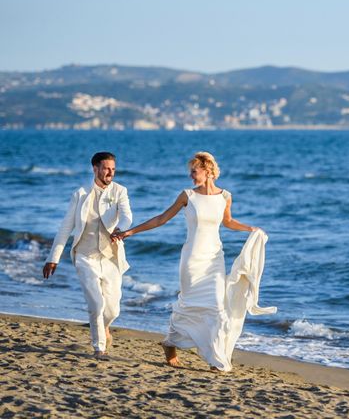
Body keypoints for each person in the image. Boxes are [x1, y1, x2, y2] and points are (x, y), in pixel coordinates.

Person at [111, 151, 259, 371]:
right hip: (192, 258)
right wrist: (130, 232)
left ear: (207, 171)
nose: (191, 175)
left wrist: (250, 229)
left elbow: (227, 221)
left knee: (218, 307)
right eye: (191, 171)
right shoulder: (187, 195)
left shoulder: (225, 196)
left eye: (194, 171)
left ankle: (215, 359)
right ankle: (170, 343)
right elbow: (162, 218)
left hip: (214, 259)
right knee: (189, 304)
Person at [43, 151, 132, 357]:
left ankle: (105, 328)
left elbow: (127, 216)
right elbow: (66, 227)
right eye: (106, 168)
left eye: (113, 169)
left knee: (112, 310)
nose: (110, 172)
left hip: (110, 257)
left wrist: (122, 229)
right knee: (96, 303)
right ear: (95, 169)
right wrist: (53, 258)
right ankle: (99, 347)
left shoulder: (120, 191)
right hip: (85, 256)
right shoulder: (81, 194)